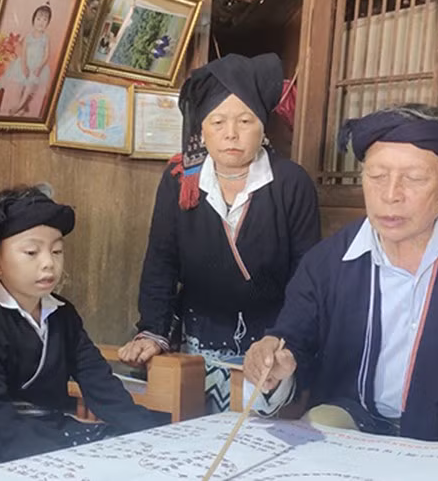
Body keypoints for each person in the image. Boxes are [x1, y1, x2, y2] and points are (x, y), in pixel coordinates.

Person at [244, 104, 438, 443]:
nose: (391, 195)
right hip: (355, 416)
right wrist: (275, 367)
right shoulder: (328, 262)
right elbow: (293, 340)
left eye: (413, 178)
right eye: (377, 176)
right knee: (319, 425)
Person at [118, 53, 321, 414]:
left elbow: (308, 274)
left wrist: (285, 340)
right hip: (198, 342)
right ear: (201, 128)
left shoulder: (291, 183)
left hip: (271, 344)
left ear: (262, 124)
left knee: (258, 444)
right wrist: (153, 330)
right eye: (217, 121)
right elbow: (161, 262)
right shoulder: (180, 181)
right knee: (194, 438)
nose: (231, 133)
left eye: (245, 120)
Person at [0, 185, 163, 461]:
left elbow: (96, 379)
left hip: (56, 427)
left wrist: (147, 431)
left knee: (130, 447)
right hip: (9, 437)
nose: (48, 263)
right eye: (32, 252)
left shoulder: (62, 313)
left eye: (56, 252)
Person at [0, 3, 53, 117]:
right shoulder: (29, 36)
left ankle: (19, 107)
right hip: (25, 64)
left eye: (44, 20)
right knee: (20, 84)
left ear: (48, 23)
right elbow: (23, 53)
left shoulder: (45, 38)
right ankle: (22, 106)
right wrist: (24, 66)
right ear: (33, 20)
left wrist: (39, 67)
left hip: (38, 66)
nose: (41, 22)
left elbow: (46, 55)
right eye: (38, 19)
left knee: (31, 83)